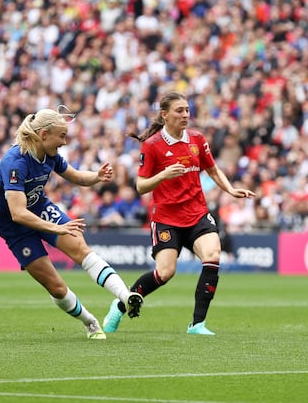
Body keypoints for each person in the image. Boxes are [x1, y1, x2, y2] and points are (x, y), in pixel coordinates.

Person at [103, 92, 256, 336]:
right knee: (165, 272)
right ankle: (120, 304)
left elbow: (212, 169)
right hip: (166, 219)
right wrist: (163, 174)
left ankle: (197, 325)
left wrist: (230, 189)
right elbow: (141, 186)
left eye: (187, 110)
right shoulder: (152, 145)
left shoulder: (197, 138)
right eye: (179, 111)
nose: (185, 115)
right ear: (164, 115)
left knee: (213, 255)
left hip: (196, 214)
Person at [0, 107, 142, 340]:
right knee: (57, 287)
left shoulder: (49, 155)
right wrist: (56, 228)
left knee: (81, 248)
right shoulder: (15, 162)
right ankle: (90, 322)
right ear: (43, 135)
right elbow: (18, 213)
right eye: (61, 136)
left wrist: (97, 176)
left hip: (40, 208)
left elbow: (77, 176)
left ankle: (124, 296)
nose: (64, 141)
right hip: (15, 228)